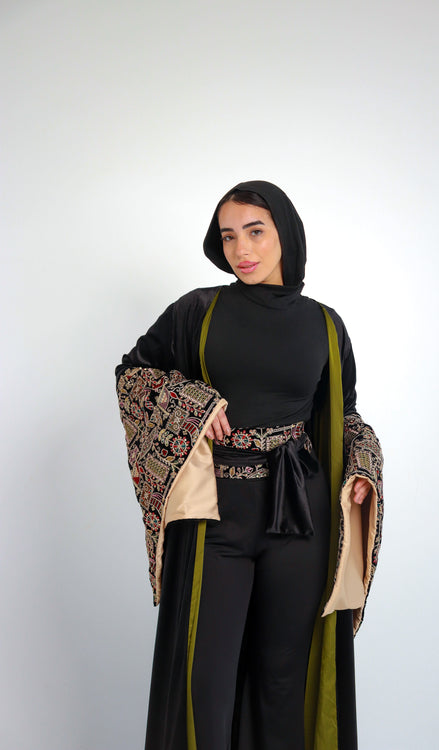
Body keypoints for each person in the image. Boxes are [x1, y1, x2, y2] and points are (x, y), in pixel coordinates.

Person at [116, 180, 384, 750]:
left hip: (301, 515)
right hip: (216, 516)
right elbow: (133, 375)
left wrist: (362, 465)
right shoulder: (198, 311)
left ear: (286, 233)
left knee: (285, 679)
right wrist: (193, 403)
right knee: (204, 681)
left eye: (255, 232)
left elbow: (343, 415)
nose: (242, 249)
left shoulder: (326, 325)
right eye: (229, 236)